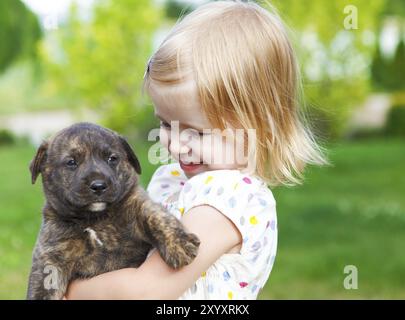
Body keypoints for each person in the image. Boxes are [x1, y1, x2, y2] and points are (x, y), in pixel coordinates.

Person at [66, 0, 327, 300]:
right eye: (166, 123)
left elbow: (147, 290)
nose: (175, 144)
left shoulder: (228, 202)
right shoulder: (182, 180)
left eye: (198, 132)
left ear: (260, 125)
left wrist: (70, 291)